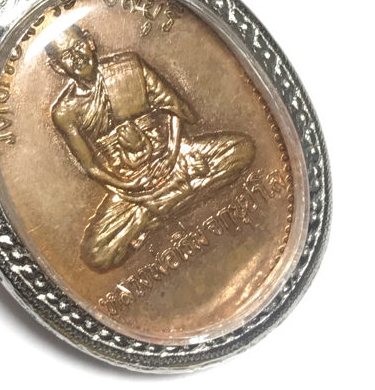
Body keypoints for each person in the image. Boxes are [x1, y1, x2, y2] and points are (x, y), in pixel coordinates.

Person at [47, 25, 255, 272]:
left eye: (78, 46)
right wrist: (129, 187)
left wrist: (172, 153)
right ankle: (162, 205)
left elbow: (173, 108)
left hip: (175, 158)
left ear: (90, 42)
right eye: (67, 55)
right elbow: (90, 166)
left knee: (242, 149)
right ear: (58, 67)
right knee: (96, 254)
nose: (77, 57)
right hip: (131, 188)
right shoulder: (65, 112)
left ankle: (158, 209)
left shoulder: (129, 67)